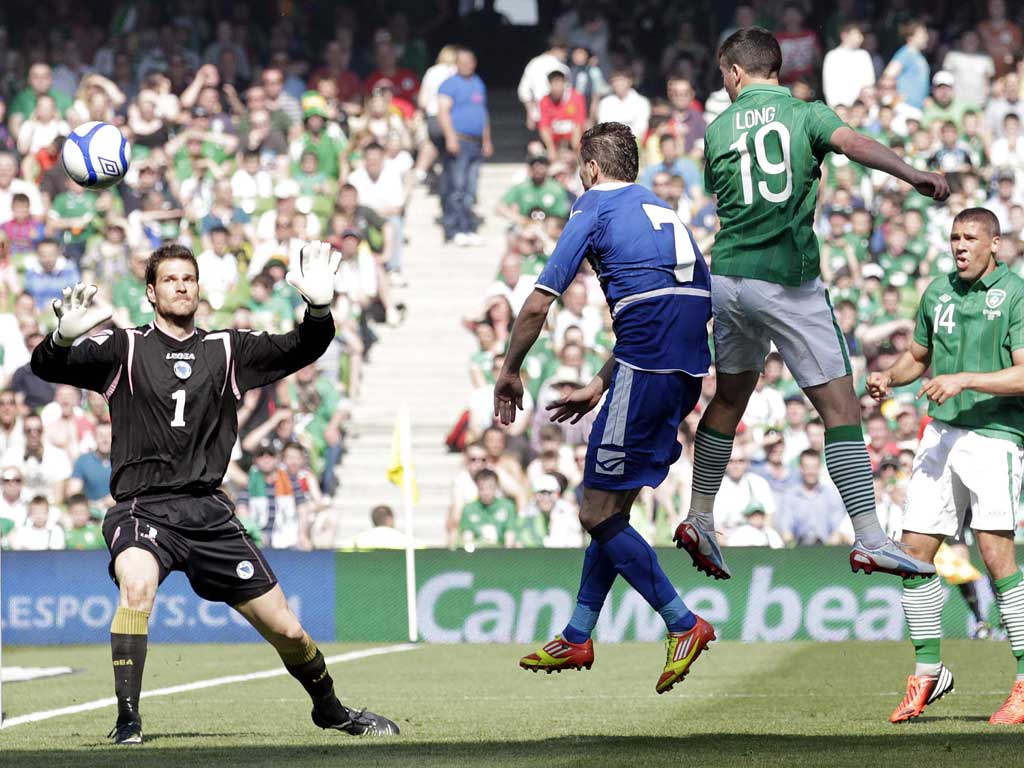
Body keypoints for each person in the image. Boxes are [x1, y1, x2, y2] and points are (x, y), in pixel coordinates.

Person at [30, 241, 398, 743]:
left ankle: (331, 710)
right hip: (143, 508)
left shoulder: (227, 349)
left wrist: (318, 311)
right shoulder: (124, 347)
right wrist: (58, 340)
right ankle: (128, 721)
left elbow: (302, 348)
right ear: (150, 292)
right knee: (136, 586)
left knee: (287, 630)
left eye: (189, 278)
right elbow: (48, 367)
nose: (182, 285)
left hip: (208, 512)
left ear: (198, 289)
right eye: (170, 279)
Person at [677, 27, 949, 582]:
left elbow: (724, 195)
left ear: (733, 73)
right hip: (788, 281)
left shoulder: (719, 127)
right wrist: (913, 173)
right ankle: (870, 538)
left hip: (729, 278)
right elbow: (853, 144)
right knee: (841, 410)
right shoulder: (807, 114)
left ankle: (699, 515)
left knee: (728, 401)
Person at [494, 122, 715, 693]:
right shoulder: (663, 211)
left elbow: (539, 303)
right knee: (610, 510)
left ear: (590, 168)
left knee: (594, 512)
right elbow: (670, 303)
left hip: (646, 374)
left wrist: (509, 370)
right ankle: (577, 632)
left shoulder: (592, 207)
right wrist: (600, 380)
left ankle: (682, 622)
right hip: (684, 371)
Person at [867, 208, 1024, 725]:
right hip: (940, 432)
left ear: (994, 244)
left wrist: (964, 380)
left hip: (995, 435)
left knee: (996, 556)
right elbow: (919, 355)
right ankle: (929, 673)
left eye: (970, 237)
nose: (960, 245)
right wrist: (892, 377)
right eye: (955, 236)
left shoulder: (1015, 292)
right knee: (913, 553)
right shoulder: (938, 291)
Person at [437, 47, 493, 246]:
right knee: (457, 188)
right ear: (456, 64)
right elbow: (443, 112)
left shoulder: (478, 83)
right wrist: (450, 137)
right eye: (462, 61)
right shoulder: (448, 85)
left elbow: (483, 113)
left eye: (470, 61)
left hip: (476, 143)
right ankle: (454, 229)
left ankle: (468, 227)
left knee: (470, 188)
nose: (466, 65)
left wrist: (487, 140)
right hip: (459, 141)